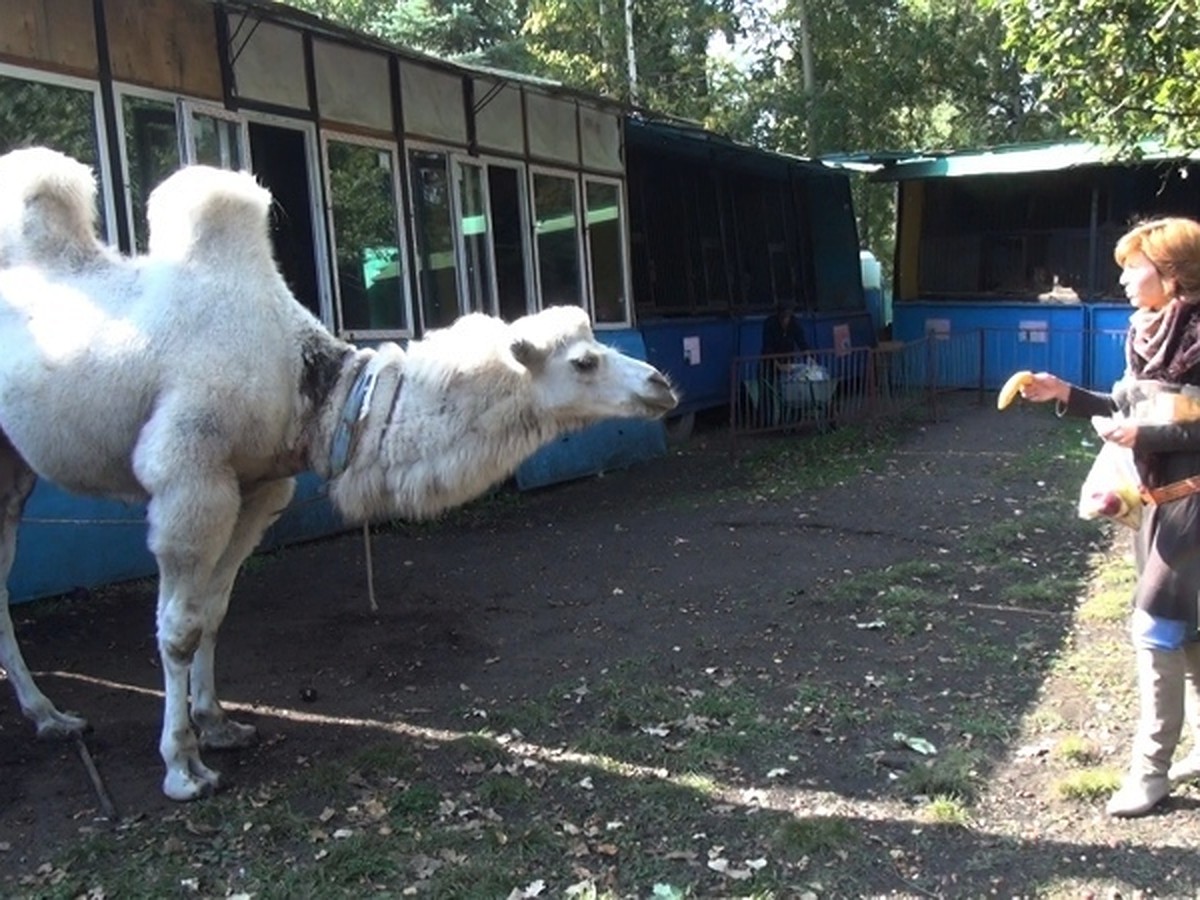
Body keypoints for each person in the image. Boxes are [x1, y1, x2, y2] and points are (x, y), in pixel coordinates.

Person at [1019, 216, 1200, 817]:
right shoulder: (1145, 333)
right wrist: (1063, 393)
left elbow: (1175, 425)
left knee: (1155, 626)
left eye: (1134, 266)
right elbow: (1123, 405)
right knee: (1191, 631)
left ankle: (1150, 773)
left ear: (1171, 274)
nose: (1122, 278)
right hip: (1156, 504)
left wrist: (1143, 432)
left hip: (1194, 504)